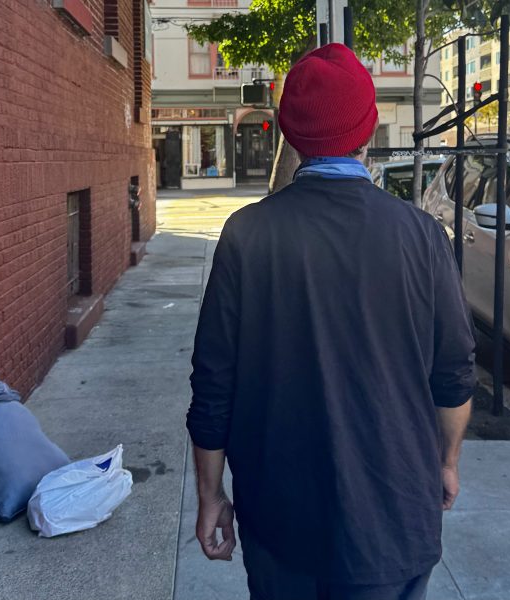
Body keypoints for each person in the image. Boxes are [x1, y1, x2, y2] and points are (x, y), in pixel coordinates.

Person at [187, 43, 476, 600]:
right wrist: (447, 462)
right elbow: (455, 374)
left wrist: (210, 495)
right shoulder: (420, 236)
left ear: (290, 135)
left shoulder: (247, 235)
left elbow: (213, 385)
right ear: (367, 131)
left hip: (280, 524)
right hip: (395, 521)